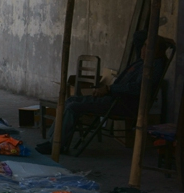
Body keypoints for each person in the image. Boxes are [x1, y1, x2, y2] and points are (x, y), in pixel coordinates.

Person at [37, 35, 174, 154]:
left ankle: (57, 145)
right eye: (145, 45)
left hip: (122, 103)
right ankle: (54, 141)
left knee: (73, 107)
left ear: (159, 51)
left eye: (150, 47)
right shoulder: (142, 60)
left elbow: (138, 88)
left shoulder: (154, 66)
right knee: (71, 100)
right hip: (113, 98)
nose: (144, 50)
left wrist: (109, 90)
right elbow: (138, 37)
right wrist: (164, 40)